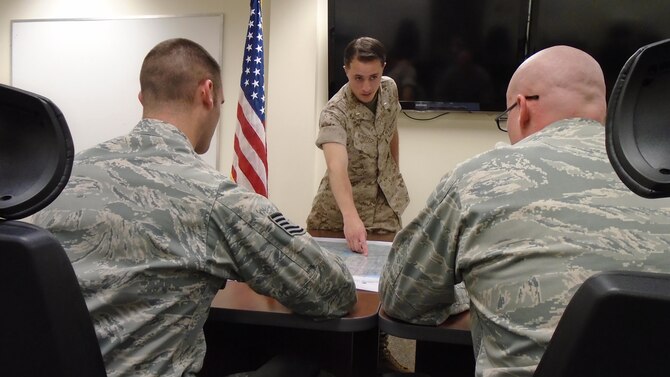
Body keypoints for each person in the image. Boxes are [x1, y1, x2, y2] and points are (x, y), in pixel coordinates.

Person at [32, 38, 357, 377]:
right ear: (207, 92)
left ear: (143, 99)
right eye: (221, 102)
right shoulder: (214, 198)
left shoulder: (62, 179)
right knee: (305, 362)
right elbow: (332, 291)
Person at [379, 45, 670, 376]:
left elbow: (401, 298)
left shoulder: (479, 177)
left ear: (522, 109)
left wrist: (476, 293)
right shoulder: (658, 178)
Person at [306, 36, 409, 255]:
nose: (366, 86)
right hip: (337, 216)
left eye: (374, 77)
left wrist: (394, 172)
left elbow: (391, 130)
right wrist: (350, 217)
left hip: (384, 209)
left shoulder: (389, 89)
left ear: (383, 68)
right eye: (358, 78)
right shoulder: (334, 112)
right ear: (346, 71)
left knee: (388, 274)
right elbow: (336, 166)